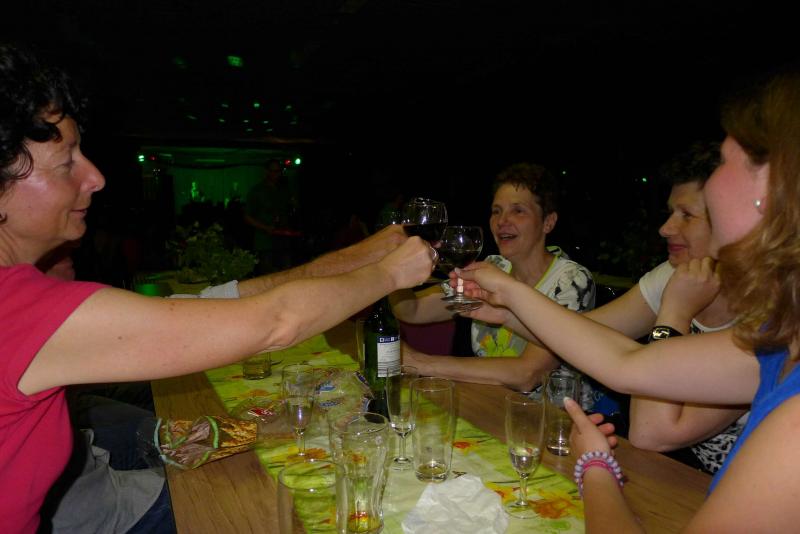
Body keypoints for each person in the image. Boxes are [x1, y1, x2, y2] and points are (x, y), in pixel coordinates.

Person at [0, 44, 434, 533]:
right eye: (66, 162)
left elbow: (233, 305)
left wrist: (367, 255)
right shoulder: (16, 307)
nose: (96, 177)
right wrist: (390, 274)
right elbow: (275, 322)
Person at [456, 67, 800, 530]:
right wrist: (509, 300)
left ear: (772, 187)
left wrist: (595, 467)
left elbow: (650, 422)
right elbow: (621, 360)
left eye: (723, 161)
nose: (666, 227)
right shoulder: (778, 339)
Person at [581, 142, 748, 474]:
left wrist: (674, 313)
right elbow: (586, 333)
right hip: (673, 473)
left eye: (686, 215)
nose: (665, 228)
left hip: (730, 488)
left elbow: (650, 432)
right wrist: (508, 307)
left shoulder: (772, 314)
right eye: (671, 213)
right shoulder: (679, 274)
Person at [391, 163, 598, 406]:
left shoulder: (571, 281)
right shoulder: (492, 267)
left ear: (548, 222)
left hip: (552, 419)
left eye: (518, 211)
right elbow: (412, 310)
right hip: (488, 406)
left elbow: (527, 374)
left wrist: (420, 363)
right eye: (496, 211)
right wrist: (394, 269)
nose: (502, 221)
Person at [243, 159, 299, 273]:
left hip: (283, 240)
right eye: (273, 171)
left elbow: (292, 208)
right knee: (268, 275)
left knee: (286, 273)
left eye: (278, 171)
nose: (276, 174)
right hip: (265, 243)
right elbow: (247, 217)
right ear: (267, 171)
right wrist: (265, 228)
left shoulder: (284, 190)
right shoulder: (257, 191)